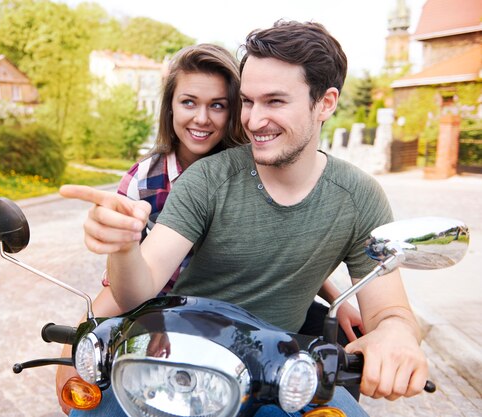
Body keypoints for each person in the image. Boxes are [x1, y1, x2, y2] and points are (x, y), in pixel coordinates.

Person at [61, 23, 407, 415]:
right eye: (248, 101)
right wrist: (123, 246)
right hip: (176, 364)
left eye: (275, 101)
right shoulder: (206, 179)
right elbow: (139, 291)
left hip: (280, 376)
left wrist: (394, 332)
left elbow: (388, 310)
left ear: (325, 103)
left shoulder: (360, 197)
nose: (255, 120)